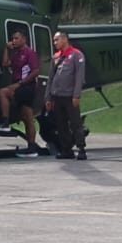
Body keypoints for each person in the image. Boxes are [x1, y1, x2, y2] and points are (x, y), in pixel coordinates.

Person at [0, 28, 49, 157]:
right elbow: (5, 63)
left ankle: (5, 122)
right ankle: (31, 147)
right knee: (27, 117)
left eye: (17, 38)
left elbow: (36, 71)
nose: (14, 41)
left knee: (3, 93)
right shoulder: (16, 54)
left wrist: (20, 83)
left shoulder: (29, 53)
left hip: (26, 87)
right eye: (13, 39)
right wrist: (6, 49)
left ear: (24, 39)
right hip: (20, 86)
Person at [46, 31, 87, 161]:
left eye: (56, 40)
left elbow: (79, 77)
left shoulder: (76, 55)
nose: (55, 43)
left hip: (70, 96)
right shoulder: (56, 57)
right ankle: (66, 149)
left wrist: (76, 95)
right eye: (54, 40)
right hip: (57, 96)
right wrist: (48, 97)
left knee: (75, 123)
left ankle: (81, 148)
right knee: (61, 124)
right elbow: (51, 78)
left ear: (64, 39)